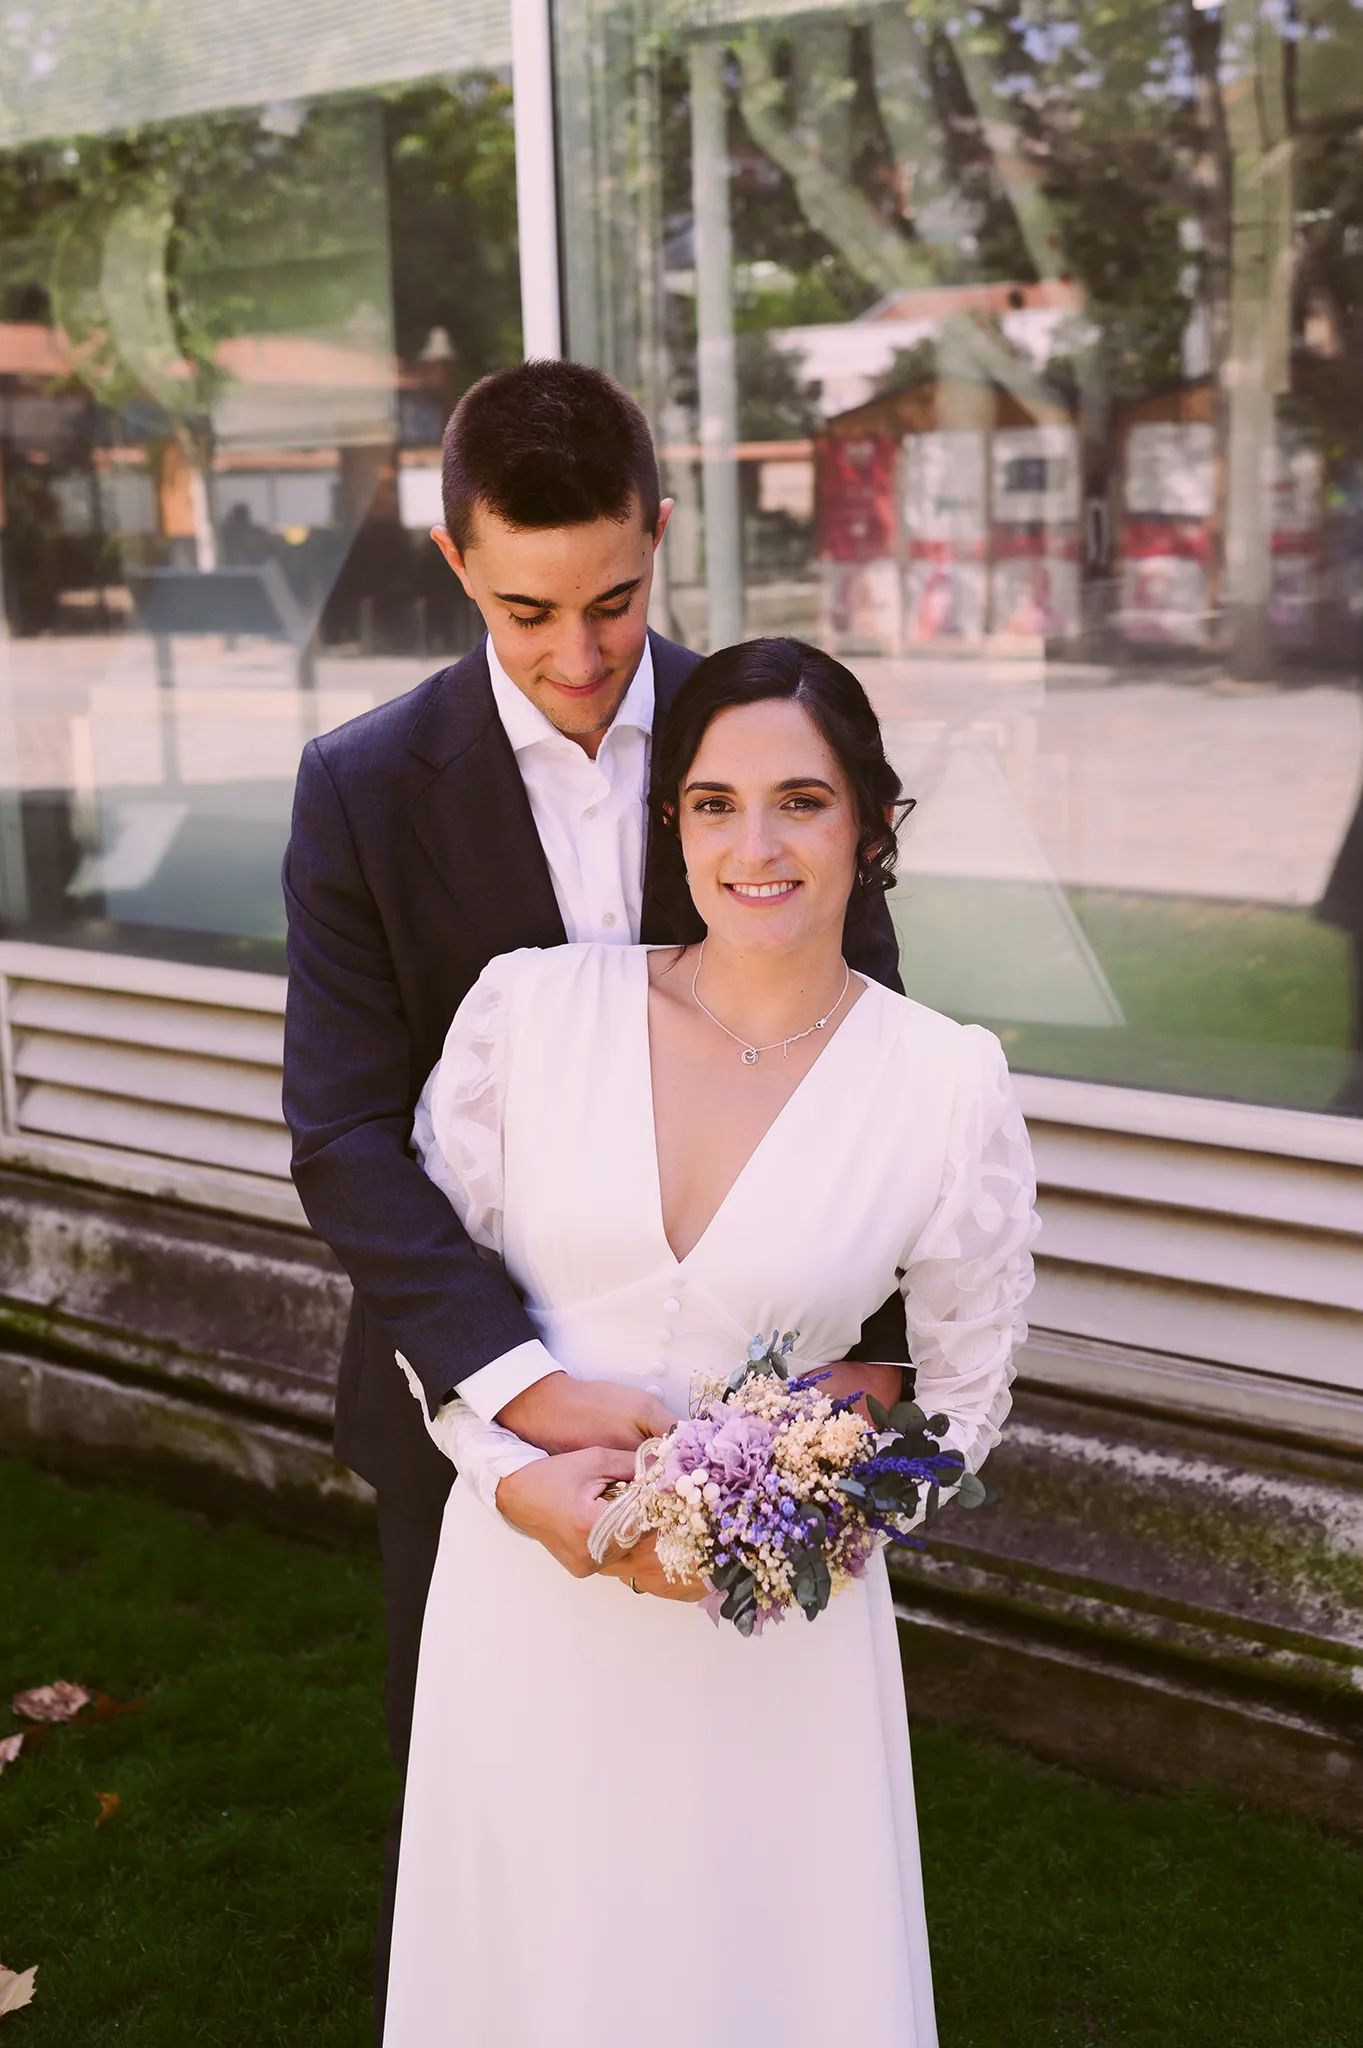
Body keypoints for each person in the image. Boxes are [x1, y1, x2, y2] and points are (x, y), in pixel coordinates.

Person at [280, 363, 910, 2035]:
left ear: (661, 533)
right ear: (451, 558)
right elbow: (342, 1133)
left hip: (756, 1402)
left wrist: (870, 1370)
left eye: (616, 601)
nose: (578, 656)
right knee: (499, 1839)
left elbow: (873, 1062)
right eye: (526, 610)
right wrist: (515, 1392)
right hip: (461, 1406)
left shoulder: (763, 737)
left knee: (756, 1847)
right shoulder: (357, 784)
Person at [383, 637, 1039, 2048]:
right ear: (670, 822)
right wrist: (510, 1481)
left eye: (802, 801)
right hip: (525, 1596)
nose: (756, 847)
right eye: (714, 804)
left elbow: (960, 1395)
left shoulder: (946, 1082)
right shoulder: (526, 1014)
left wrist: (798, 1507)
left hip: (773, 1633)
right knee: (530, 1974)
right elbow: (433, 1305)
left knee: (763, 1976)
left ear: (869, 826)